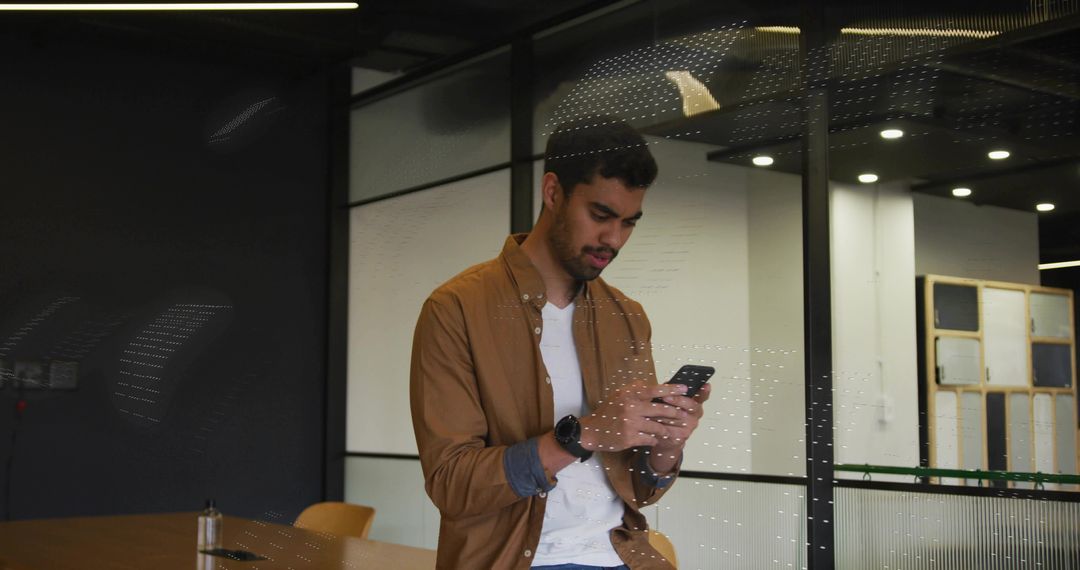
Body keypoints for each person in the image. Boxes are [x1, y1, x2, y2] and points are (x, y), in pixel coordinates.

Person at [410, 116, 711, 570]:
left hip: (620, 557)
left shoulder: (627, 317)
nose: (614, 239)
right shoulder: (456, 309)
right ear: (553, 193)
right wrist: (584, 433)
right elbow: (452, 484)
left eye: (629, 223)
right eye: (601, 215)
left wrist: (667, 444)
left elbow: (642, 490)